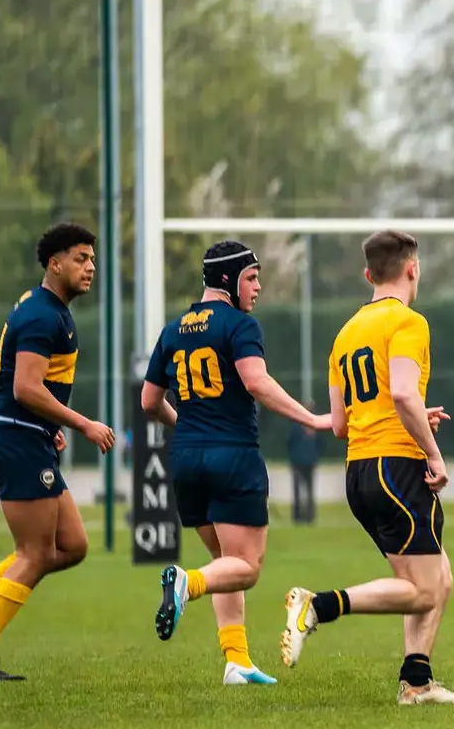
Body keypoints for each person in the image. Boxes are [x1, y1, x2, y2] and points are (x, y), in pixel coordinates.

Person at [281, 229, 454, 706]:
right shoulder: (408, 322)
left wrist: (406, 416)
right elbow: (405, 393)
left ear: (368, 275)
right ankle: (318, 606)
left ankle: (417, 683)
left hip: (360, 471)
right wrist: (433, 452)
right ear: (413, 269)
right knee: (424, 591)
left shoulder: (345, 334)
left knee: (438, 578)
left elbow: (342, 423)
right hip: (398, 468)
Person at [142, 240, 332, 685]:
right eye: (252, 277)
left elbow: (149, 400)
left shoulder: (173, 330)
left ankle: (237, 662)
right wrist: (311, 418)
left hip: (186, 458)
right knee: (246, 569)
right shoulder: (240, 325)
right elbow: (256, 381)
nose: (259, 286)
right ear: (228, 280)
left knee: (223, 563)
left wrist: (185, 426)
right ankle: (184, 583)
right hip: (233, 456)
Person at [0, 223, 116, 681]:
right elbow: (23, 386)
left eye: (92, 259)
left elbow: (21, 384)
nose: (90, 267)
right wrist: (81, 424)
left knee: (72, 545)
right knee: (34, 553)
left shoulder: (45, 308)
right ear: (54, 263)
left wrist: (49, 426)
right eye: (80, 258)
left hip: (25, 434)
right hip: (15, 437)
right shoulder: (42, 315)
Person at [287, 406, 323, 523]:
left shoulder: (296, 427)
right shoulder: (313, 427)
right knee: (306, 490)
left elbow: (289, 443)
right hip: (303, 462)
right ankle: (306, 516)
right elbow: (319, 444)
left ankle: (301, 516)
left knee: (301, 490)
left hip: (301, 462)